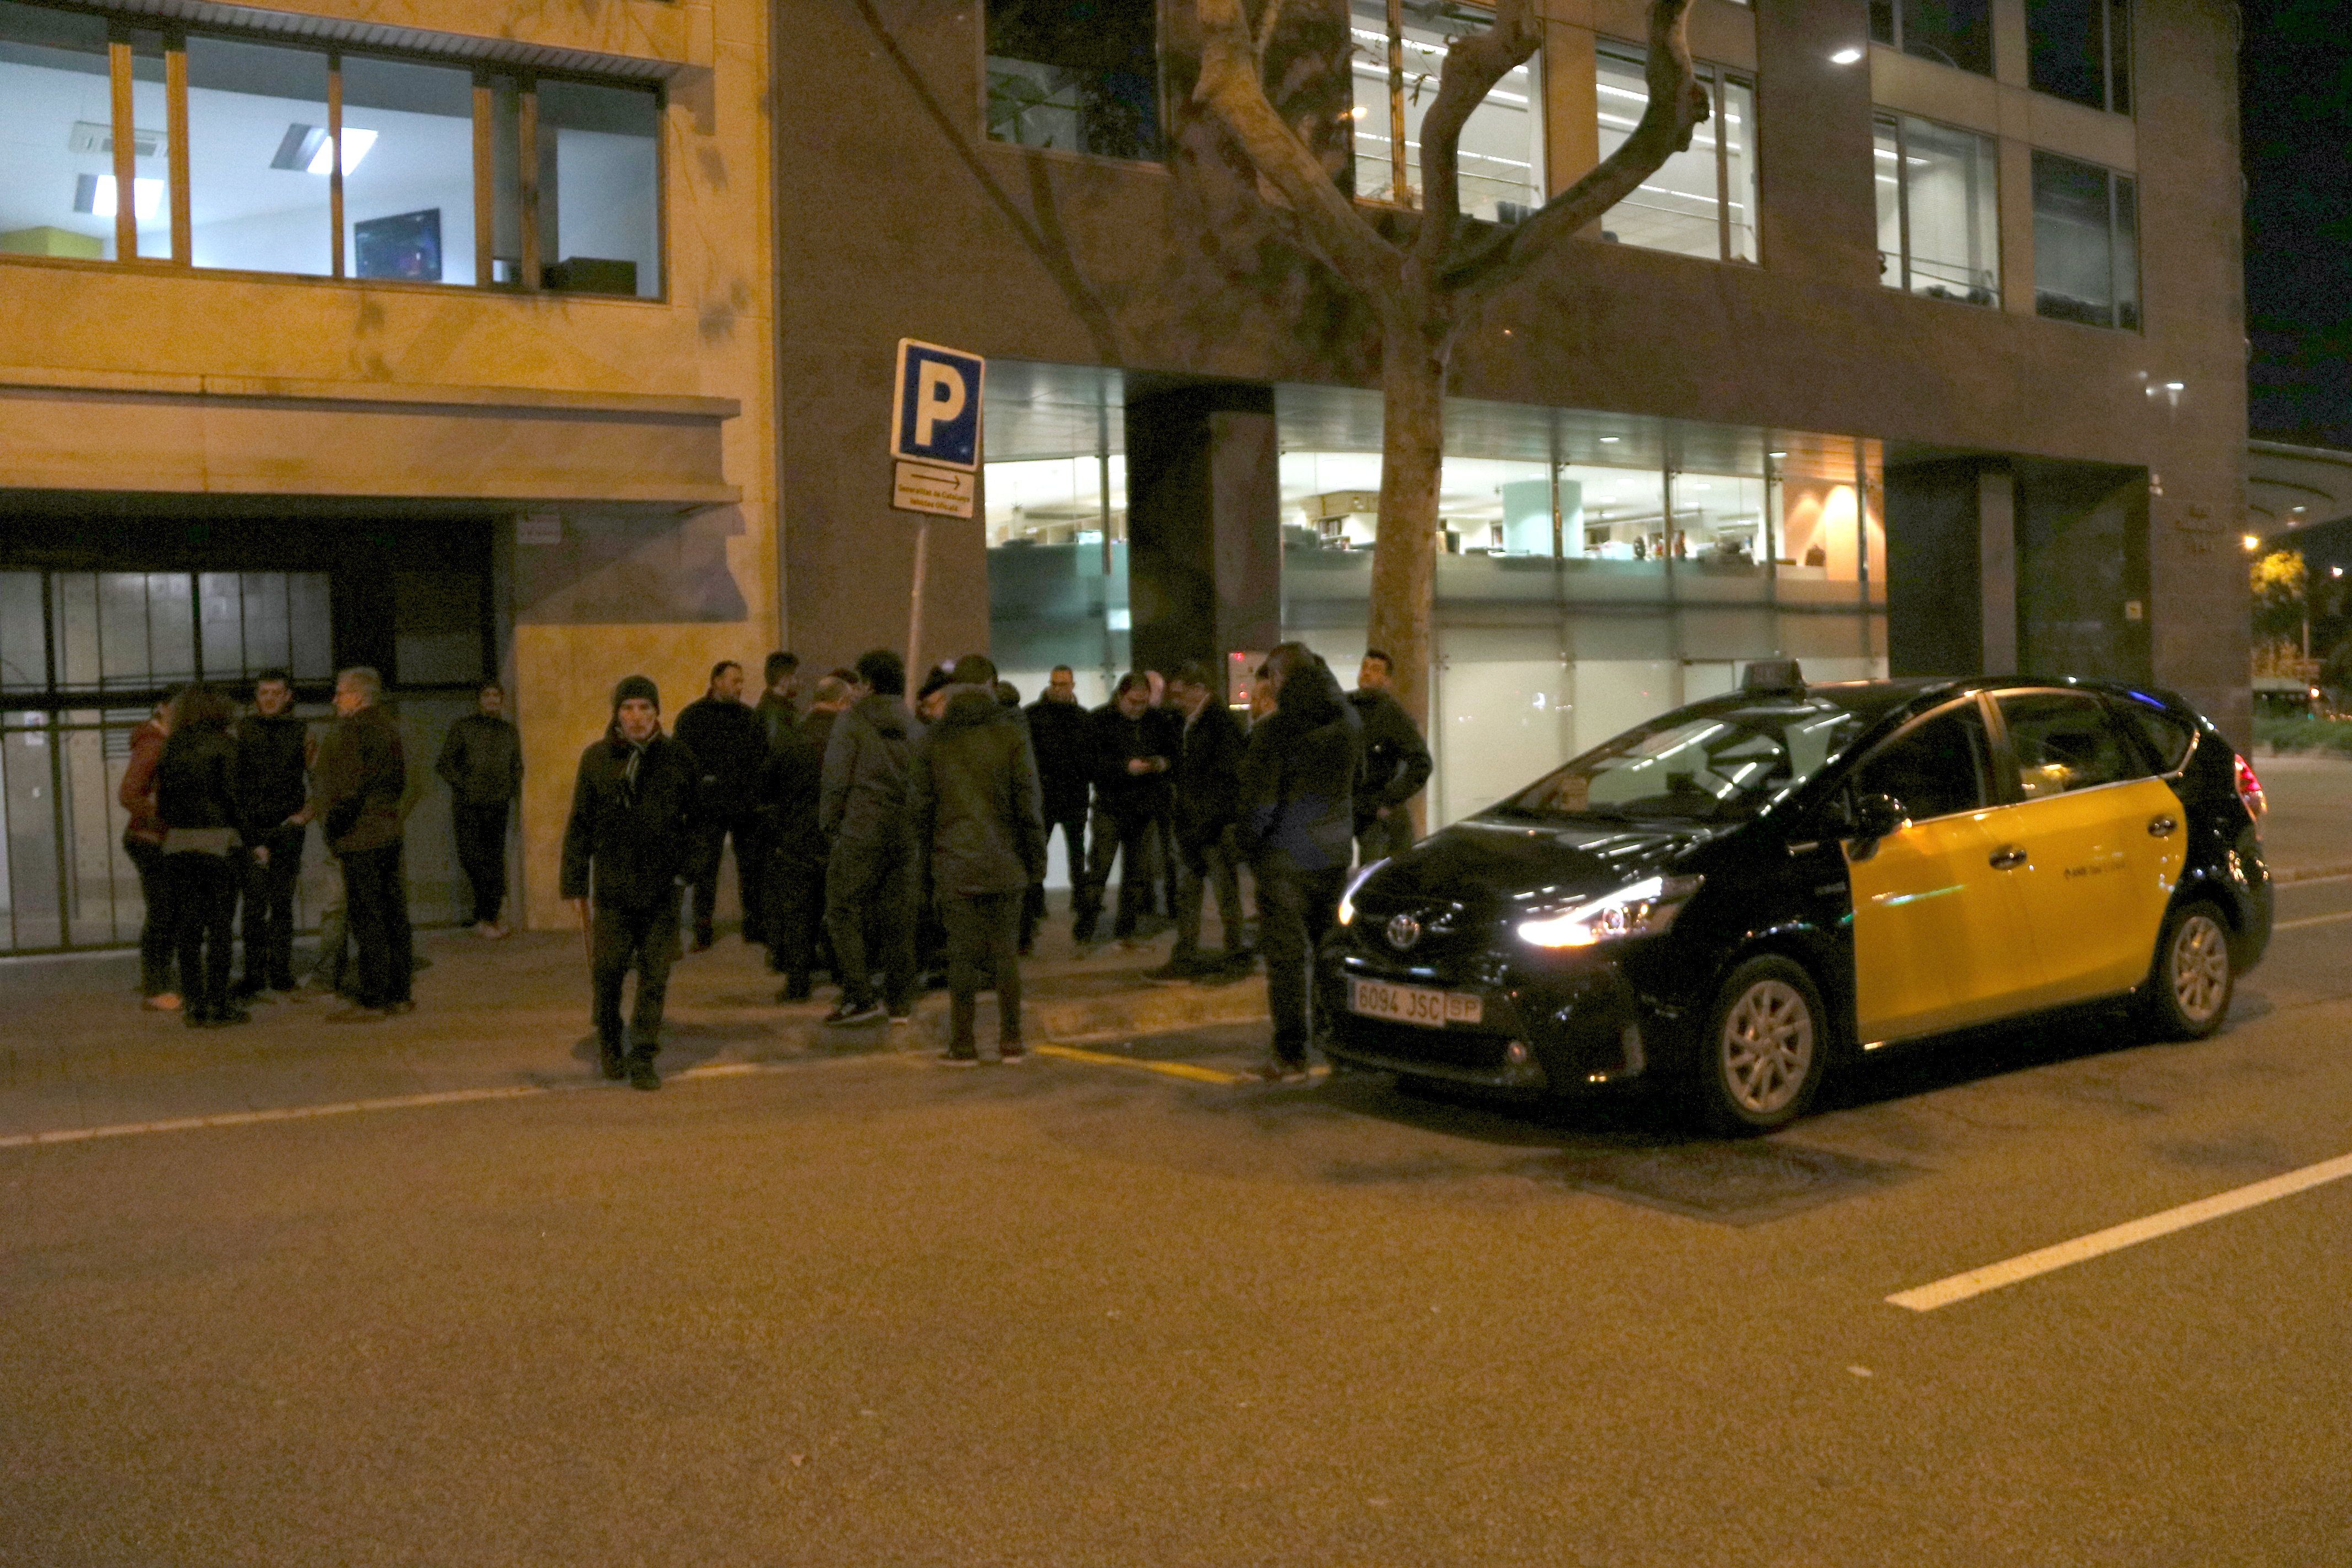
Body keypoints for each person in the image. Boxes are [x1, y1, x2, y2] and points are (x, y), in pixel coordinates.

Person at [561, 676, 699, 1090]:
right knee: (607, 971)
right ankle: (608, 1040)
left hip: (661, 889)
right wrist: (574, 884)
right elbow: (580, 825)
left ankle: (643, 1055)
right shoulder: (597, 759)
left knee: (655, 976)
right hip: (614, 887)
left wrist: (686, 872)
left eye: (644, 708)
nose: (636, 717)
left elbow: (697, 821)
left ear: (658, 712)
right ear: (617, 713)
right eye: (628, 708)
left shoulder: (678, 758)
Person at [908, 654, 1046, 1064]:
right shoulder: (1010, 735)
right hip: (1006, 862)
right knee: (1005, 956)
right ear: (990, 687)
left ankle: (963, 1044)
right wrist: (1035, 862)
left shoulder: (933, 739)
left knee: (962, 957)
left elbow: (921, 809)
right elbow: (1029, 805)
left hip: (955, 862)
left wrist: (926, 867)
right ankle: (1011, 1041)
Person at [1235, 643, 1360, 1081]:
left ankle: (1290, 1053)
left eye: (1268, 676)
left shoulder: (1277, 732)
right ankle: (1335, 1044)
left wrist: (1249, 848)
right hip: (1332, 854)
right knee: (1330, 955)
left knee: (1287, 961)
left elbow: (1259, 806)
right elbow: (1357, 786)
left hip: (1285, 859)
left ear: (1282, 678)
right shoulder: (1347, 723)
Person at [819, 650, 921, 1026]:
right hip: (904, 832)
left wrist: (831, 824)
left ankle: (860, 996)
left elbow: (836, 778)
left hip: (862, 829)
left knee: (843, 909)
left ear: (869, 684)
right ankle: (900, 1001)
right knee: (899, 916)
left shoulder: (853, 721)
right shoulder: (913, 724)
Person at [312, 666, 413, 1021]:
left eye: (340, 693)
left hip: (360, 836)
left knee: (366, 916)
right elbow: (401, 781)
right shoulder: (390, 728)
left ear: (356, 696)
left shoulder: (350, 731)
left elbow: (346, 788)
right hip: (386, 831)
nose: (335, 700)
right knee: (394, 913)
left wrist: (334, 829)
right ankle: (400, 993)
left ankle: (374, 995)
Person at [1149, 661, 1248, 983]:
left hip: (1214, 826)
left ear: (1198, 689)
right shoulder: (1187, 724)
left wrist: (1212, 820)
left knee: (1225, 894)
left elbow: (1229, 779)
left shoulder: (1220, 724)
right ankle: (1187, 954)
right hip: (1191, 823)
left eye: (1181, 695)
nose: (1177, 702)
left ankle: (1234, 953)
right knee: (1189, 894)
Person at [156, 685, 247, 1028]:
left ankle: (194, 1005)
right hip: (219, 844)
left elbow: (163, 804)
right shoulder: (226, 745)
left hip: (179, 845)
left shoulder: (172, 747)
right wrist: (251, 839)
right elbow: (235, 799)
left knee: (188, 930)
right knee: (221, 929)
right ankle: (220, 1004)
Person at [758, 676, 848, 1001]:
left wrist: (781, 829)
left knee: (799, 913)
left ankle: (798, 980)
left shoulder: (790, 738)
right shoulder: (850, 739)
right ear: (843, 702)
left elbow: (766, 789)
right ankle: (847, 976)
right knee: (841, 910)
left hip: (797, 838)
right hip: (840, 837)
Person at [674, 661, 771, 951]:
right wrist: (699, 790)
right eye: (735, 681)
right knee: (705, 869)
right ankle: (703, 929)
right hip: (707, 806)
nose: (740, 687)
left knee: (751, 868)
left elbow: (760, 759)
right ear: (716, 681)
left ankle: (754, 925)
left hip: (744, 805)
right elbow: (684, 762)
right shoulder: (693, 718)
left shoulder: (749, 718)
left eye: (742, 681)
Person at [1076, 672, 1175, 945]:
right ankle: (1085, 926)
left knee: (1136, 873)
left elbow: (1173, 753)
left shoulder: (1156, 721)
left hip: (1144, 807)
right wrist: (1124, 767)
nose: (1138, 708)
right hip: (1111, 805)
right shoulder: (1099, 721)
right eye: (1134, 702)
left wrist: (1161, 764)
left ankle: (1126, 928)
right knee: (1099, 870)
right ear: (1121, 696)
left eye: (1144, 703)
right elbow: (1088, 763)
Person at [232, 671, 313, 997]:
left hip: (287, 829)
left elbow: (319, 778)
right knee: (253, 905)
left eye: (276, 693)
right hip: (251, 828)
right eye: (263, 692)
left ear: (288, 696)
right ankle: (254, 976)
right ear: (256, 696)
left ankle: (279, 972)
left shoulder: (302, 733)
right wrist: (251, 837)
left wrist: (304, 816)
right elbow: (235, 785)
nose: (269, 698)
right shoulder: (242, 732)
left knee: (281, 903)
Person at [434, 680, 524, 938]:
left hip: (498, 803)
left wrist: (509, 787)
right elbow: (444, 764)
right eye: (487, 695)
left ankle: (488, 916)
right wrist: (465, 785)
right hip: (468, 804)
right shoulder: (463, 728)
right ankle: (485, 913)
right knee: (471, 857)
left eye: (497, 695)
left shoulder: (509, 732)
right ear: (479, 700)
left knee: (494, 859)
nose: (492, 700)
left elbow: (516, 764)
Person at [1022, 665, 1093, 955]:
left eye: (1064, 684)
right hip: (1053, 794)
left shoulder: (1037, 716)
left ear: (1072, 685)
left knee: (1074, 851)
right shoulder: (1040, 716)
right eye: (1057, 684)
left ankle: (1068, 899)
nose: (1060, 689)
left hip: (1066, 793)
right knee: (1044, 851)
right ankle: (1041, 902)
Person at [119, 699, 178, 1013]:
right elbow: (129, 793)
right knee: (163, 911)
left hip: (149, 838)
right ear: (162, 707)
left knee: (164, 910)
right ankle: (157, 987)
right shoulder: (153, 744)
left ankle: (156, 981)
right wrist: (166, 818)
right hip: (150, 839)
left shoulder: (159, 741)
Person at [1349, 650, 1434, 867]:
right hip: (1351, 809)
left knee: (1375, 874)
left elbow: (1421, 764)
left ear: (1387, 680)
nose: (1367, 673)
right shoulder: (1347, 707)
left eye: (1375, 670)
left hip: (1377, 816)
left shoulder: (1392, 716)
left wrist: (1388, 799)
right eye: (1365, 667)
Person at [755, 651, 802, 753]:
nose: (799, 682)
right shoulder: (775, 713)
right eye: (796, 677)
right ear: (784, 679)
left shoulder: (770, 706)